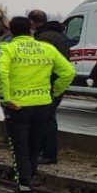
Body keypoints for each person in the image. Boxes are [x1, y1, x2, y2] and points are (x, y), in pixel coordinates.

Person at [0, 16, 75, 193]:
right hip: (42, 105)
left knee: (19, 150)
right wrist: (54, 91)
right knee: (34, 149)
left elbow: (0, 73)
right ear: (30, 30)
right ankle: (26, 187)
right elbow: (68, 73)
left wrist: (6, 98)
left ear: (11, 31)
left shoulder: (8, 49)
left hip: (18, 108)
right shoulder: (47, 48)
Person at [28, 10, 72, 164]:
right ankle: (45, 152)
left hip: (47, 83)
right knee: (47, 118)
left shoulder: (43, 38)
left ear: (33, 22)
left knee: (46, 119)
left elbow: (39, 62)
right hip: (57, 81)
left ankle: (48, 154)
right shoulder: (60, 36)